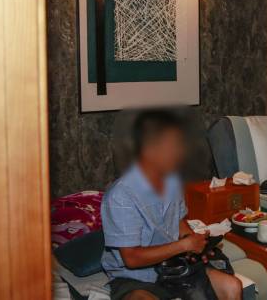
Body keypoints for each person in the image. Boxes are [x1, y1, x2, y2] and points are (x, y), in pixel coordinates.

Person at [101, 110, 242, 300]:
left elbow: (178, 222)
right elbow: (132, 258)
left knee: (232, 286)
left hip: (174, 266)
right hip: (136, 277)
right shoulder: (121, 196)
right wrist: (183, 245)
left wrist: (195, 245)